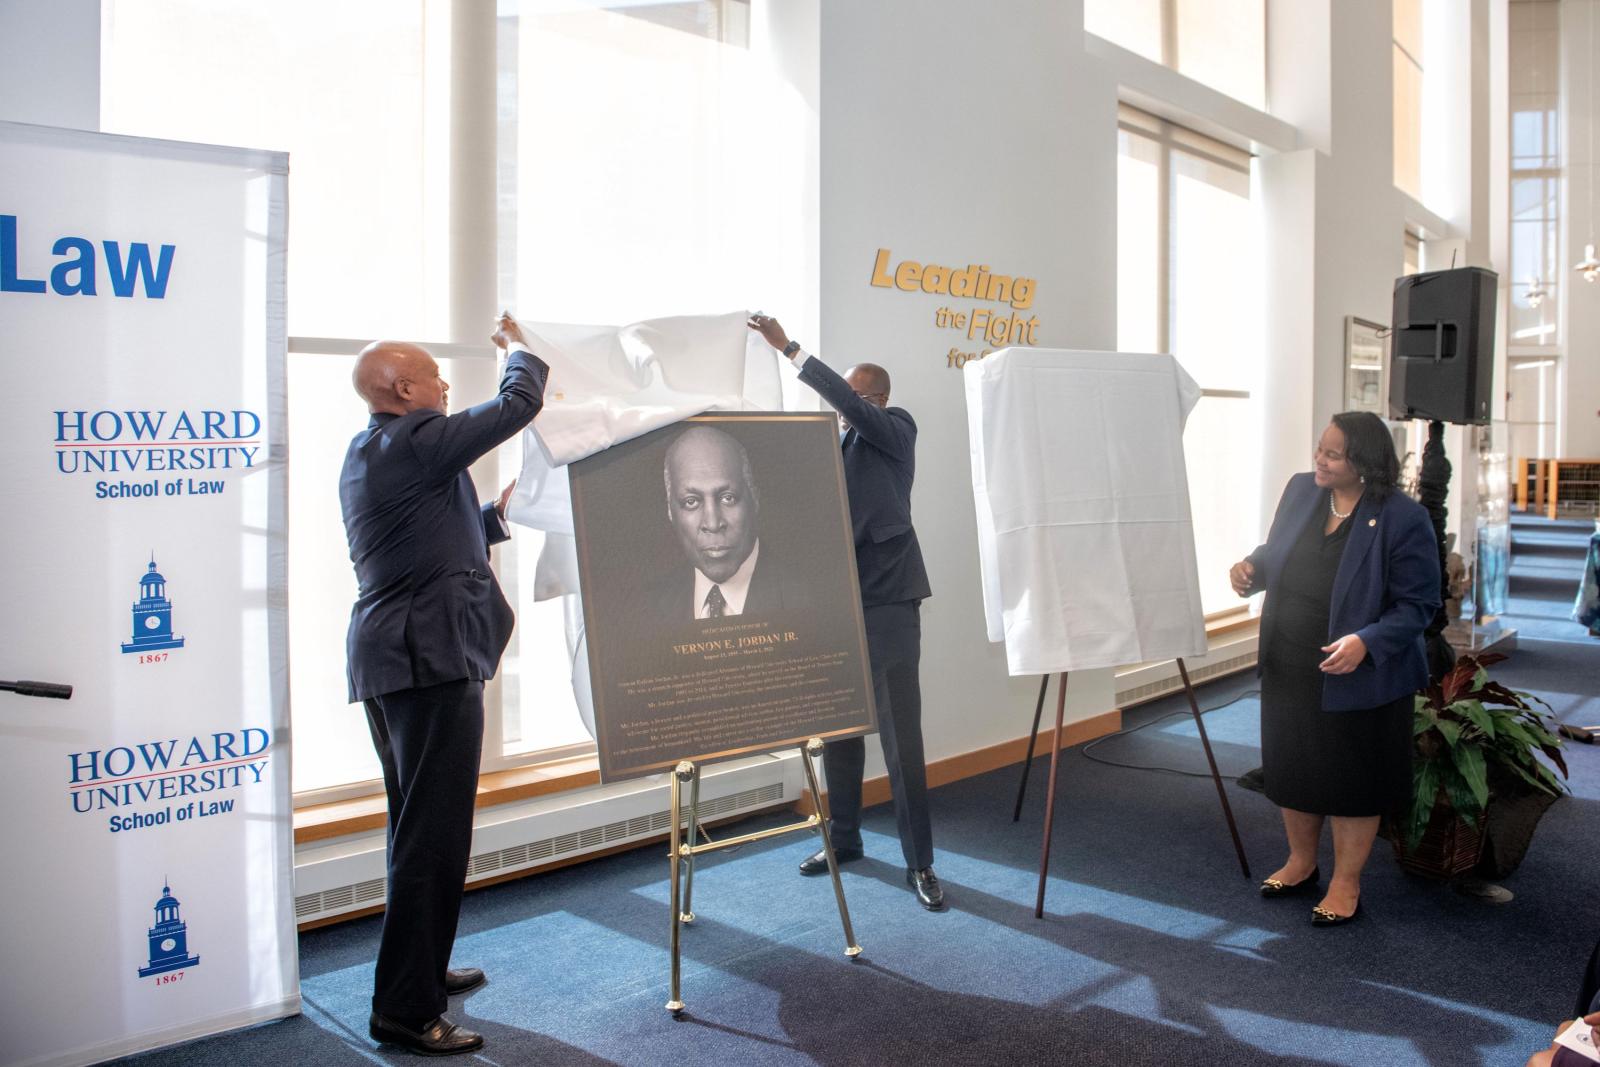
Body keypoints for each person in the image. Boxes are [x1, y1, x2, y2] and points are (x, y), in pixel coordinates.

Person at [341, 314, 548, 1055]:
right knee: (432, 839)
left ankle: (419, 972)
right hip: (427, 659)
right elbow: (518, 405)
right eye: (432, 375)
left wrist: (496, 516)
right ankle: (404, 1008)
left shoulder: (376, 451)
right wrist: (526, 350)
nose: (444, 383)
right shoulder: (415, 439)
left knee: (415, 832)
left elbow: (421, 541)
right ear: (403, 390)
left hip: (396, 659)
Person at [746, 312, 943, 911]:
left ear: (877, 399)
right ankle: (845, 839)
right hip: (835, 603)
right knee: (838, 728)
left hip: (888, 599)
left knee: (901, 738)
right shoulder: (835, 446)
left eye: (856, 397)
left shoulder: (896, 429)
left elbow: (853, 408)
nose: (846, 407)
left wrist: (792, 351)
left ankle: (920, 864)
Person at [1229, 411, 1440, 926]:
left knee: (1352, 778)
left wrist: (1366, 642)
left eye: (1333, 454)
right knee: (1294, 766)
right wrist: (1252, 569)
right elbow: (1277, 551)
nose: (1319, 460)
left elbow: (1420, 604)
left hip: (1358, 670)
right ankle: (1301, 863)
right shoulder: (1303, 491)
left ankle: (1346, 882)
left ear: (1364, 462)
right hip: (1289, 657)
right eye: (1320, 448)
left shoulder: (1401, 516)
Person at [656, 424, 799, 619]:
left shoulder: (809, 597)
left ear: (754, 499)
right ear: (669, 511)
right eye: (691, 502)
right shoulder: (646, 609)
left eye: (728, 498)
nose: (713, 524)